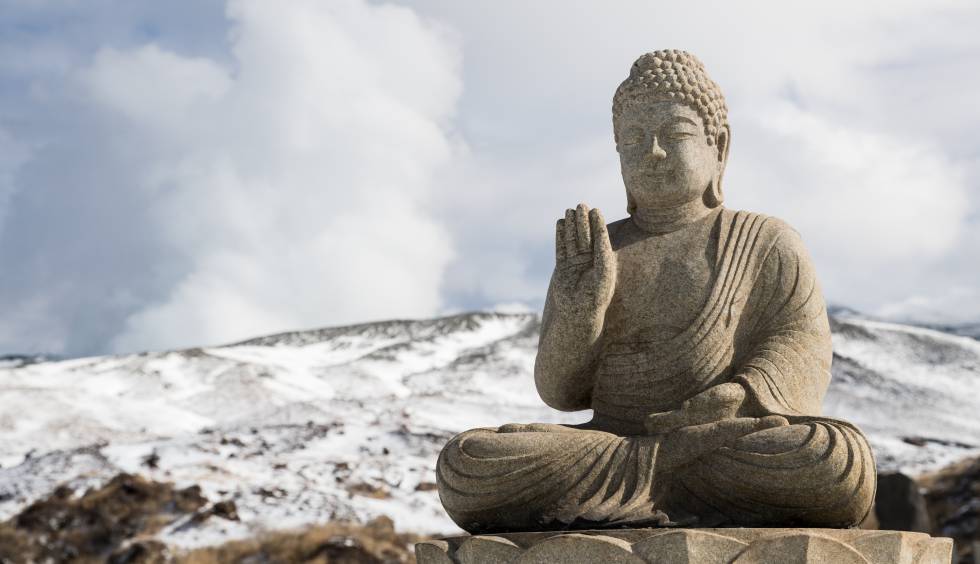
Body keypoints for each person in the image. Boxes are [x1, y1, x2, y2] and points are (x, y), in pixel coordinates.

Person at [436, 50, 876, 534]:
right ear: (618, 154)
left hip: (718, 441)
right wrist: (580, 313)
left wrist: (738, 394)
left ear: (720, 148)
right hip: (610, 445)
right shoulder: (599, 252)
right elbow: (559, 393)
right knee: (467, 463)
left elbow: (801, 346)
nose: (654, 152)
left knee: (834, 459)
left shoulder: (764, 239)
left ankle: (635, 490)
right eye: (634, 140)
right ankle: (660, 478)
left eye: (675, 135)